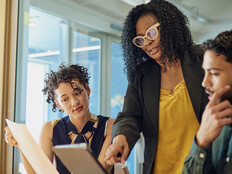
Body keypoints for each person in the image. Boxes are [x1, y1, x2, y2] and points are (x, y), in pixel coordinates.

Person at [105, 0, 209, 173]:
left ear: (169, 27)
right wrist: (120, 138)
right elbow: (129, 116)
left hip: (203, 167)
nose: (147, 43)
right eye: (140, 39)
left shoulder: (204, 60)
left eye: (151, 33)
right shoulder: (141, 76)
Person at [5, 63, 114, 174]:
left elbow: (100, 171)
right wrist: (20, 144)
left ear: (88, 90)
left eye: (78, 93)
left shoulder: (110, 125)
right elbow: (38, 172)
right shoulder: (50, 129)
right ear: (59, 105)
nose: (74, 102)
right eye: (65, 99)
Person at [183, 30, 232, 174]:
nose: (204, 83)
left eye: (214, 73)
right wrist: (201, 141)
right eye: (205, 72)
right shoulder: (217, 123)